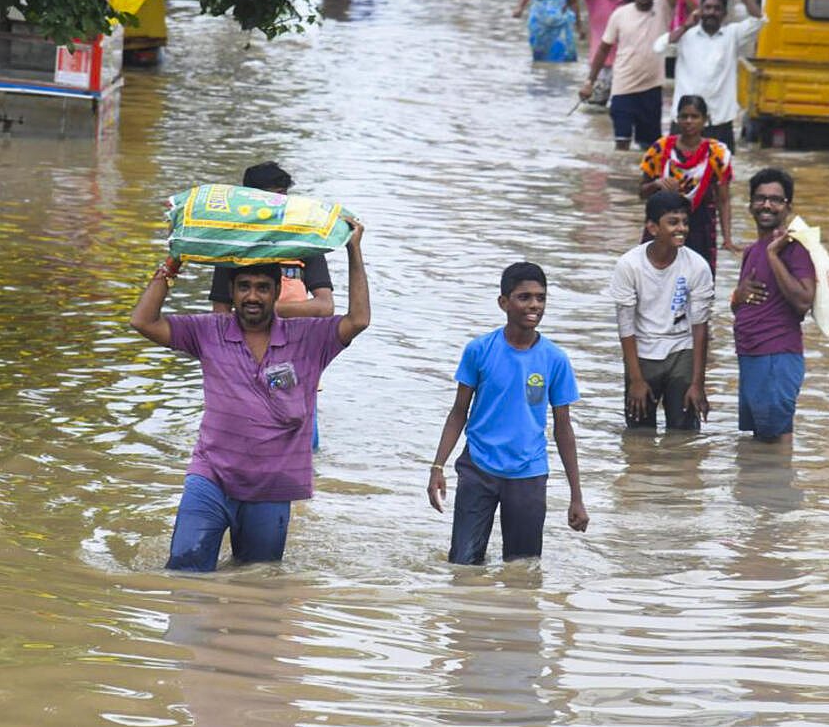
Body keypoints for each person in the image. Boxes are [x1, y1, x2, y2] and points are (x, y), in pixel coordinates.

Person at [129, 220, 370, 572]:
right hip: (210, 477)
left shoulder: (309, 338)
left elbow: (359, 319)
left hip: (272, 486)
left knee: (256, 579)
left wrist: (354, 249)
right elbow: (143, 321)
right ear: (233, 292)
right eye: (243, 287)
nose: (252, 296)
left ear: (276, 293)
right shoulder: (208, 331)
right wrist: (173, 262)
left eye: (261, 288)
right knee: (184, 572)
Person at [427, 262, 589, 565]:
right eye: (524, 297)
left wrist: (576, 496)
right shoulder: (479, 350)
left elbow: (563, 428)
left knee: (522, 569)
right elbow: (458, 412)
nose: (534, 305)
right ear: (504, 303)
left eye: (541, 298)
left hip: (528, 475)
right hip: (478, 469)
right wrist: (438, 466)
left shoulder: (555, 359)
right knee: (463, 564)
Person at [609, 191, 713, 430]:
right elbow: (625, 327)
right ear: (653, 228)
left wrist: (698, 383)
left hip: (681, 350)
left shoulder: (697, 266)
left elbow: (700, 326)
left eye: (685, 222)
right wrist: (636, 380)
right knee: (638, 433)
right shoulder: (629, 265)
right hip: (643, 354)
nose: (682, 228)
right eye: (673, 222)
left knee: (684, 432)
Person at [579, 0, 684, 149]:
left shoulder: (663, 8)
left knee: (650, 148)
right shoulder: (620, 14)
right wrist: (589, 81)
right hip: (622, 88)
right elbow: (604, 48)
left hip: (651, 90)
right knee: (622, 148)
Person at [731, 168, 816, 445]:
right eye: (760, 198)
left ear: (788, 207)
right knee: (760, 445)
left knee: (775, 444)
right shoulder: (751, 250)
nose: (767, 204)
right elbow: (743, 305)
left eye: (775, 199)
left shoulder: (793, 248)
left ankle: (779, 490)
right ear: (750, 204)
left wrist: (773, 255)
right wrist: (737, 297)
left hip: (776, 357)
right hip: (752, 358)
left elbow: (804, 301)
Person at [208, 163, 334, 319]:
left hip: (296, 334)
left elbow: (325, 306)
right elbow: (221, 313)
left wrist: (258, 308)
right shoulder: (233, 246)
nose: (282, 204)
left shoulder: (304, 241)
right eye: (275, 198)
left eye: (284, 196)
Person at [654, 0, 765, 151]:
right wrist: (685, 26)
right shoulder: (686, 35)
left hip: (719, 122)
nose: (711, 12)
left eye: (717, 8)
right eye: (707, 8)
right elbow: (659, 47)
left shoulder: (732, 35)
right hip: (685, 121)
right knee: (677, 171)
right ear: (700, 10)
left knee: (720, 174)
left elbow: (760, 21)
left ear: (724, 14)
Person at [638, 94, 738, 277]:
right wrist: (657, 184)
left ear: (705, 120)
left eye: (695, 117)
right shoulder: (660, 149)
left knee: (699, 281)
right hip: (661, 229)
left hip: (701, 228)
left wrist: (728, 238)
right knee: (651, 277)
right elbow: (642, 192)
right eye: (684, 116)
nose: (689, 122)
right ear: (677, 119)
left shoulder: (717, 153)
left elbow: (723, 200)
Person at [581, 0, 628, 104]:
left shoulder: (627, 0)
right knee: (595, 112)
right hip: (599, 66)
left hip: (624, 65)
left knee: (619, 110)